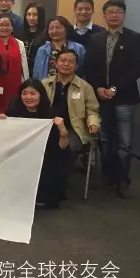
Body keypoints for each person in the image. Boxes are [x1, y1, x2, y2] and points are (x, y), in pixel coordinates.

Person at [85, 0, 140, 198]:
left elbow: (136, 68)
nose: (114, 15)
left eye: (118, 12)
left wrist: (116, 88)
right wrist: (98, 88)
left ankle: (123, 179)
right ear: (104, 15)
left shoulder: (135, 38)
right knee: (105, 139)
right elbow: (89, 67)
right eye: (110, 12)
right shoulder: (96, 39)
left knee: (124, 142)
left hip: (124, 97)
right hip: (102, 97)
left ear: (123, 15)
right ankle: (109, 176)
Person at [42, 49, 100, 197]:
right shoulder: (45, 84)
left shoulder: (85, 87)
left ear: (76, 66)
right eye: (62, 60)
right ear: (56, 64)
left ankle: (59, 185)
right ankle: (43, 182)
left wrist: (93, 123)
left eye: (70, 61)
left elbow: (92, 110)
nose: (66, 64)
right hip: (48, 127)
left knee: (69, 147)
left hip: (74, 129)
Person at [8, 79, 68, 209]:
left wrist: (62, 130)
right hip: (20, 157)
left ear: (41, 95)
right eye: (24, 93)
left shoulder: (51, 115)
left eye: (33, 93)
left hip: (44, 158)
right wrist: (1, 122)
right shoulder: (13, 113)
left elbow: (62, 147)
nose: (28, 97)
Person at [0, 15, 29, 97]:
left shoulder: (19, 43)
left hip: (15, 83)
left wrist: (26, 82)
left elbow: (24, 66)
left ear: (12, 28)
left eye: (7, 25)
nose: (4, 28)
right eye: (1, 25)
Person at [33, 16, 86, 80]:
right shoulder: (42, 50)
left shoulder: (79, 48)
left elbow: (84, 73)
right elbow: (36, 74)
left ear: (66, 29)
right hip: (46, 85)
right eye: (51, 28)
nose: (54, 31)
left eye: (58, 27)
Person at [20, 3, 46, 75]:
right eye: (28, 14)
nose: (31, 18)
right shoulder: (20, 33)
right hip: (21, 71)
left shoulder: (45, 35)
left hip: (37, 72)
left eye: (35, 15)